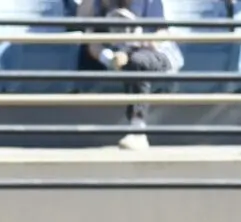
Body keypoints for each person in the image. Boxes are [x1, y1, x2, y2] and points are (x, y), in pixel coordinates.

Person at [76, 0, 184, 150]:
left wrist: (143, 42)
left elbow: (162, 32)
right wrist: (109, 59)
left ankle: (138, 131)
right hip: (122, 55)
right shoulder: (100, 4)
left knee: (137, 61)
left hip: (157, 53)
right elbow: (91, 41)